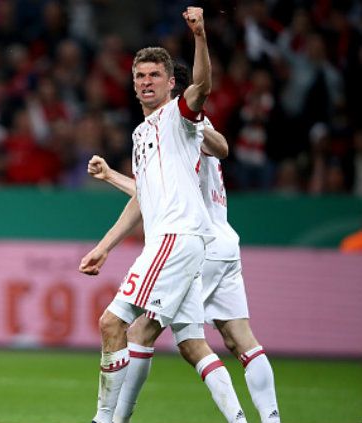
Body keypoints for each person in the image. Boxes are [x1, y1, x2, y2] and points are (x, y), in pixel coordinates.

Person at [78, 8, 248, 423]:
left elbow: (203, 85)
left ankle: (105, 420)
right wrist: (103, 247)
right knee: (191, 344)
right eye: (140, 76)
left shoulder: (179, 117)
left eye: (154, 75)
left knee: (112, 323)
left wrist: (201, 36)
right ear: (133, 84)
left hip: (175, 240)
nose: (146, 82)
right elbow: (143, 199)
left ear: (171, 83)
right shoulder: (140, 134)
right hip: (178, 243)